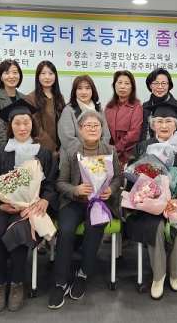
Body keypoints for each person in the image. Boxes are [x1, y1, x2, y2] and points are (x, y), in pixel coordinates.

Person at [0, 99, 59, 313]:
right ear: (10, 126)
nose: (22, 127)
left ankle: (17, 284)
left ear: (33, 124)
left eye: (26, 123)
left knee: (20, 230)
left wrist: (45, 199)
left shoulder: (43, 153)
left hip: (31, 208)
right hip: (2, 207)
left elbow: (51, 183)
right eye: (17, 123)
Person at [127, 101, 177, 300]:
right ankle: (158, 276)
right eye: (159, 121)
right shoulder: (143, 148)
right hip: (150, 206)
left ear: (176, 125)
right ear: (152, 125)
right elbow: (133, 176)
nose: (164, 125)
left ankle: (175, 272)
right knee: (156, 227)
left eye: (169, 121)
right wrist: (148, 196)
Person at [48, 110, 121, 309]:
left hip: (100, 202)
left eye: (96, 125)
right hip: (74, 202)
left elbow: (117, 178)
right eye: (88, 125)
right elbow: (60, 183)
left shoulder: (110, 151)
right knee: (66, 231)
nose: (92, 129)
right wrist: (76, 189)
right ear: (80, 129)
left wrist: (111, 190)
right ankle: (60, 282)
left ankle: (82, 274)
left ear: (101, 129)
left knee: (94, 227)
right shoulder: (72, 153)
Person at [0, 59, 26, 156]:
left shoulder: (25, 98)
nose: (12, 76)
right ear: (1, 77)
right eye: (7, 73)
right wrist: (12, 148)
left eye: (15, 72)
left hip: (22, 150)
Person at [58, 75, 111, 152]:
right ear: (75, 91)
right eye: (79, 88)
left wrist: (97, 152)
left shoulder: (98, 110)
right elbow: (67, 138)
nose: (83, 92)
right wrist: (86, 153)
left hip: (98, 155)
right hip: (74, 155)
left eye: (87, 88)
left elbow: (106, 135)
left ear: (92, 90)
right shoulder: (68, 110)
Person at [25, 60, 66, 158]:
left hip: (61, 149)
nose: (47, 77)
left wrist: (62, 147)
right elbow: (35, 126)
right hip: (40, 149)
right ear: (38, 76)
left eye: (51, 73)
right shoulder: (30, 98)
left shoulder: (59, 97)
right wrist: (51, 148)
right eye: (43, 73)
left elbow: (64, 123)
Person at [104, 70, 143, 167]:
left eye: (126, 83)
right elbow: (103, 131)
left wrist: (116, 148)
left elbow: (134, 133)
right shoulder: (108, 107)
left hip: (127, 155)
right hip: (108, 155)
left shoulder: (136, 106)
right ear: (114, 85)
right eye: (119, 82)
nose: (122, 86)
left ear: (132, 87)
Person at [140, 68, 177, 141]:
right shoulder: (145, 106)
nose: (160, 87)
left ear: (169, 85)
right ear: (150, 85)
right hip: (146, 146)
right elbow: (143, 132)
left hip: (172, 146)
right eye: (156, 83)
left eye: (164, 83)